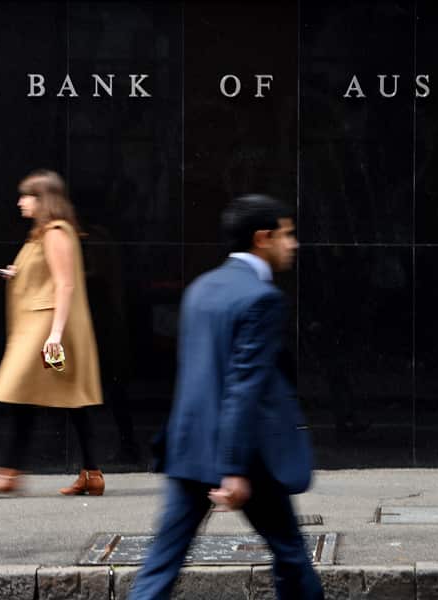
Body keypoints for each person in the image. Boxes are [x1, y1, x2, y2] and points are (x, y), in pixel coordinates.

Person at [129, 194, 323, 600]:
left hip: (189, 449)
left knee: (161, 564)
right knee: (290, 555)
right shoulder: (262, 299)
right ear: (262, 238)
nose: (294, 244)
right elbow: (243, 383)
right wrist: (232, 468)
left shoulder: (202, 288)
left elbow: (199, 375)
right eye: (287, 235)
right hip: (247, 455)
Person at [0, 169, 105, 496]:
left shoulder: (56, 232)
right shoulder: (40, 235)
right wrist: (16, 273)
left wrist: (55, 336)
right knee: (71, 397)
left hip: (47, 330)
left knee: (21, 391)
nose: (20, 202)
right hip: (39, 327)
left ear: (43, 200)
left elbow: (66, 284)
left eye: (26, 196)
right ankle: (92, 472)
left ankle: (8, 471)